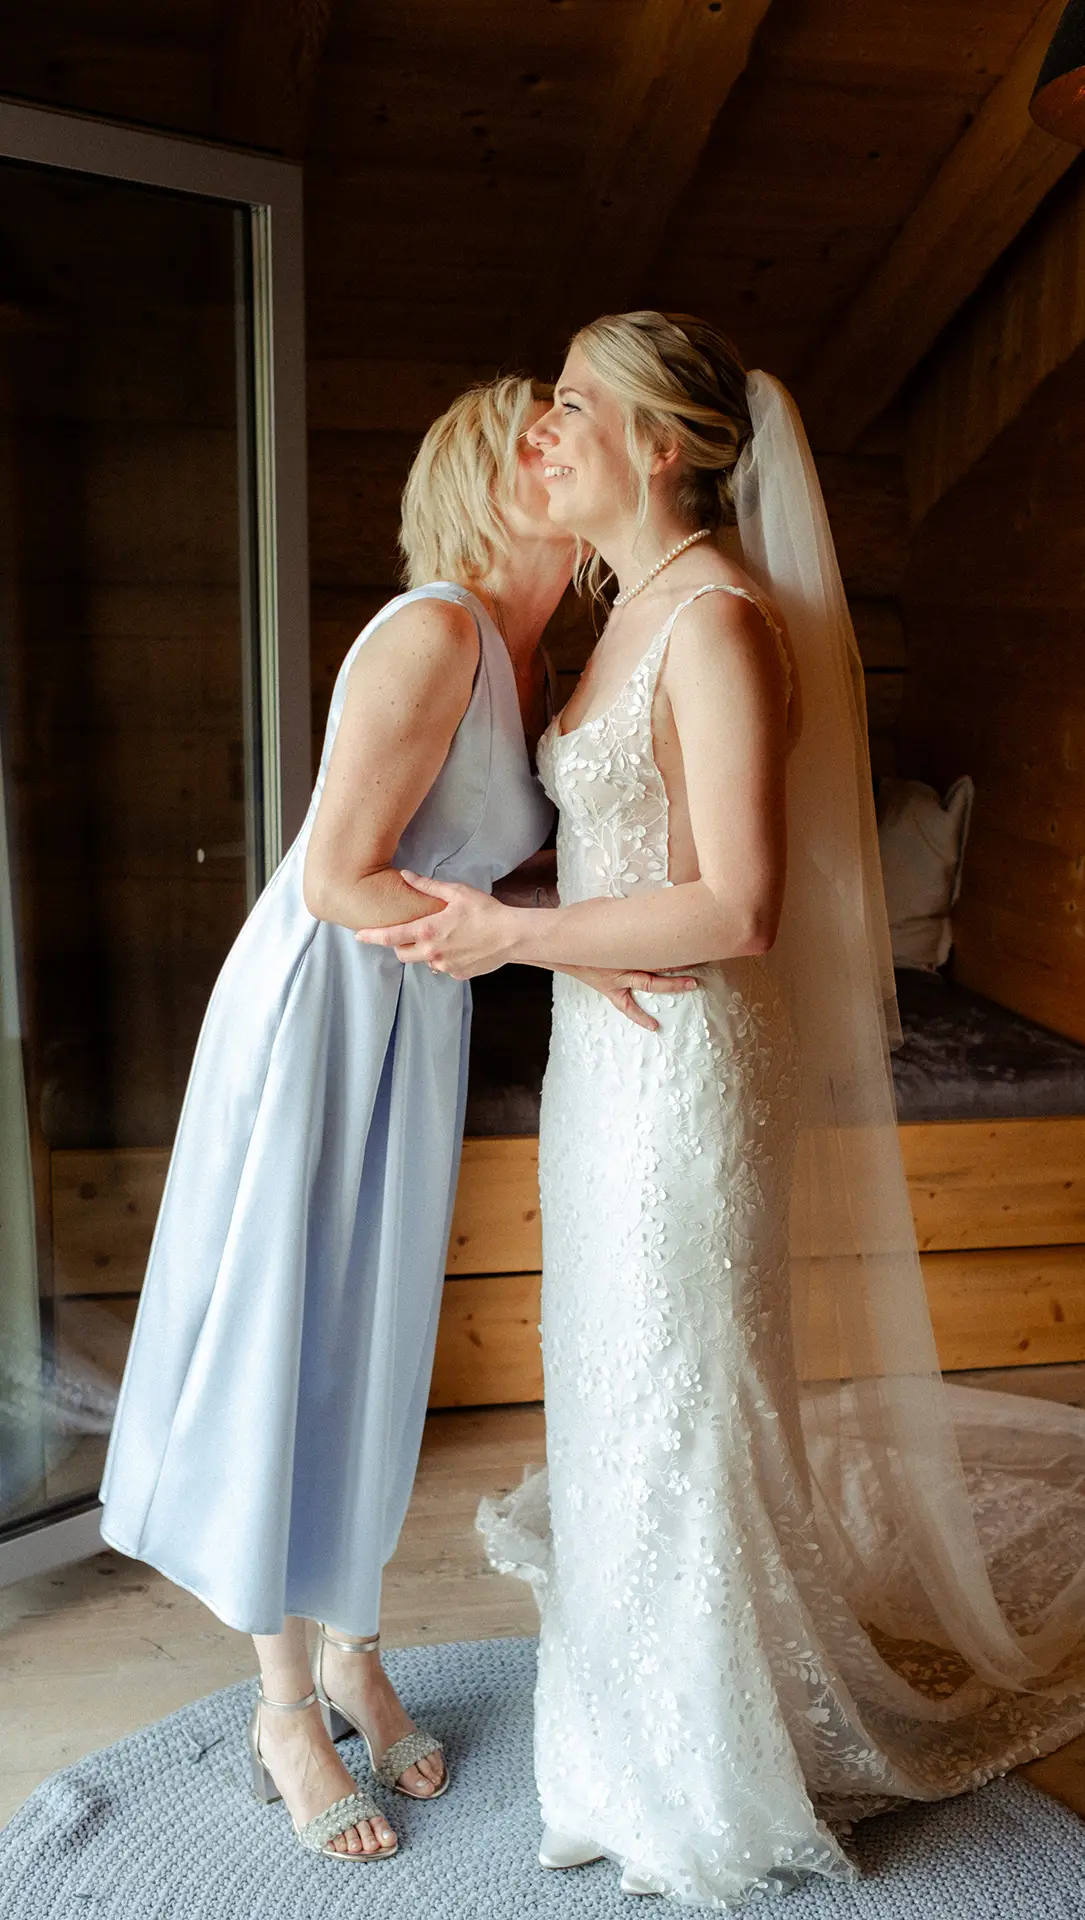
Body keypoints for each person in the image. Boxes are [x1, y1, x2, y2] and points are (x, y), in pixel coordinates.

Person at [360, 315, 1085, 1906]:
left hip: (688, 1080)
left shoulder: (720, 622)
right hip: (607, 1073)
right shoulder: (621, 613)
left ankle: (705, 1780)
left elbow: (739, 906)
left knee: (685, 1406)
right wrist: (523, 902)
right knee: (616, 1401)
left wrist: (516, 939)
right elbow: (617, 859)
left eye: (576, 404)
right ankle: (620, 1743)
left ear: (662, 445)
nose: (546, 432)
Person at [99, 373, 692, 1865]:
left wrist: (581, 929)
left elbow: (486, 870)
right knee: (289, 1345)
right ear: (496, 478)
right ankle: (283, 1704)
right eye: (538, 443)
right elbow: (337, 880)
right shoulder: (432, 631)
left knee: (371, 1348)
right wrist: (516, 934)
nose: (562, 459)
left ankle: (356, 1645)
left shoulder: (530, 656)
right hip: (323, 1018)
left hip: (411, 1027)